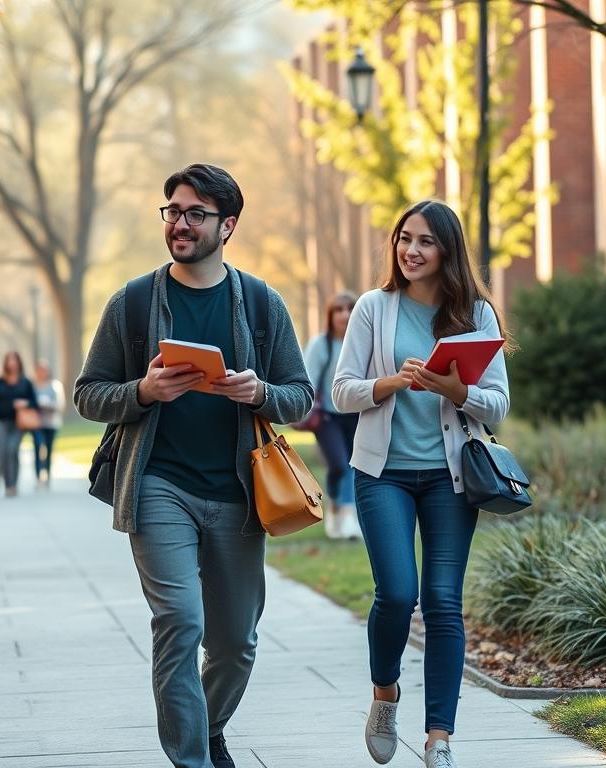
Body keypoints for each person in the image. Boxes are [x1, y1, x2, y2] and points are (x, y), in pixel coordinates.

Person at [73, 164, 311, 768]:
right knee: (179, 619)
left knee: (235, 643)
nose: (179, 223)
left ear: (226, 226)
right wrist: (143, 392)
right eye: (172, 211)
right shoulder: (131, 303)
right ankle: (192, 760)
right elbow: (87, 393)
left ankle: (206, 725)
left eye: (194, 214)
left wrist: (259, 393)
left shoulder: (260, 302)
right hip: (157, 484)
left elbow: (301, 396)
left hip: (238, 492)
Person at [331, 200, 510, 768]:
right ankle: (385, 695)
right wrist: (390, 383)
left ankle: (439, 739)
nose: (411, 250)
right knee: (398, 594)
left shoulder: (477, 314)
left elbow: (499, 404)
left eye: (425, 242)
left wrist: (452, 391)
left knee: (442, 602)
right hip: (381, 472)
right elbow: (341, 392)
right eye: (405, 238)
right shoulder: (372, 308)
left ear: (447, 251)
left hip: (450, 477)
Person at [303, 290, 361, 540]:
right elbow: (308, 381)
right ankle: (344, 515)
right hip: (327, 417)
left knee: (352, 466)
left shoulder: (363, 342)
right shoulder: (320, 344)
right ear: (330, 315)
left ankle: (340, 513)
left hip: (357, 414)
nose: (344, 315)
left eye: (349, 309)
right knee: (339, 465)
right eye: (338, 310)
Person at [0, 350, 35, 497]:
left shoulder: (25, 382)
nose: (12, 363)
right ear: (6, 363)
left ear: (19, 362)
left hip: (19, 423)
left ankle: (12, 485)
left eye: (14, 360)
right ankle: (0, 477)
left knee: (12, 450)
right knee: (2, 452)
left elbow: (35, 402)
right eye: (9, 360)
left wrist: (25, 403)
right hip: (1, 422)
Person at [30, 359, 63, 489]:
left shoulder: (54, 385)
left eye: (43, 370)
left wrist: (48, 404)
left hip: (50, 423)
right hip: (36, 423)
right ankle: (38, 477)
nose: (41, 373)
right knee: (37, 448)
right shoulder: (32, 386)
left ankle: (47, 476)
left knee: (48, 450)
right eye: (39, 370)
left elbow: (59, 404)